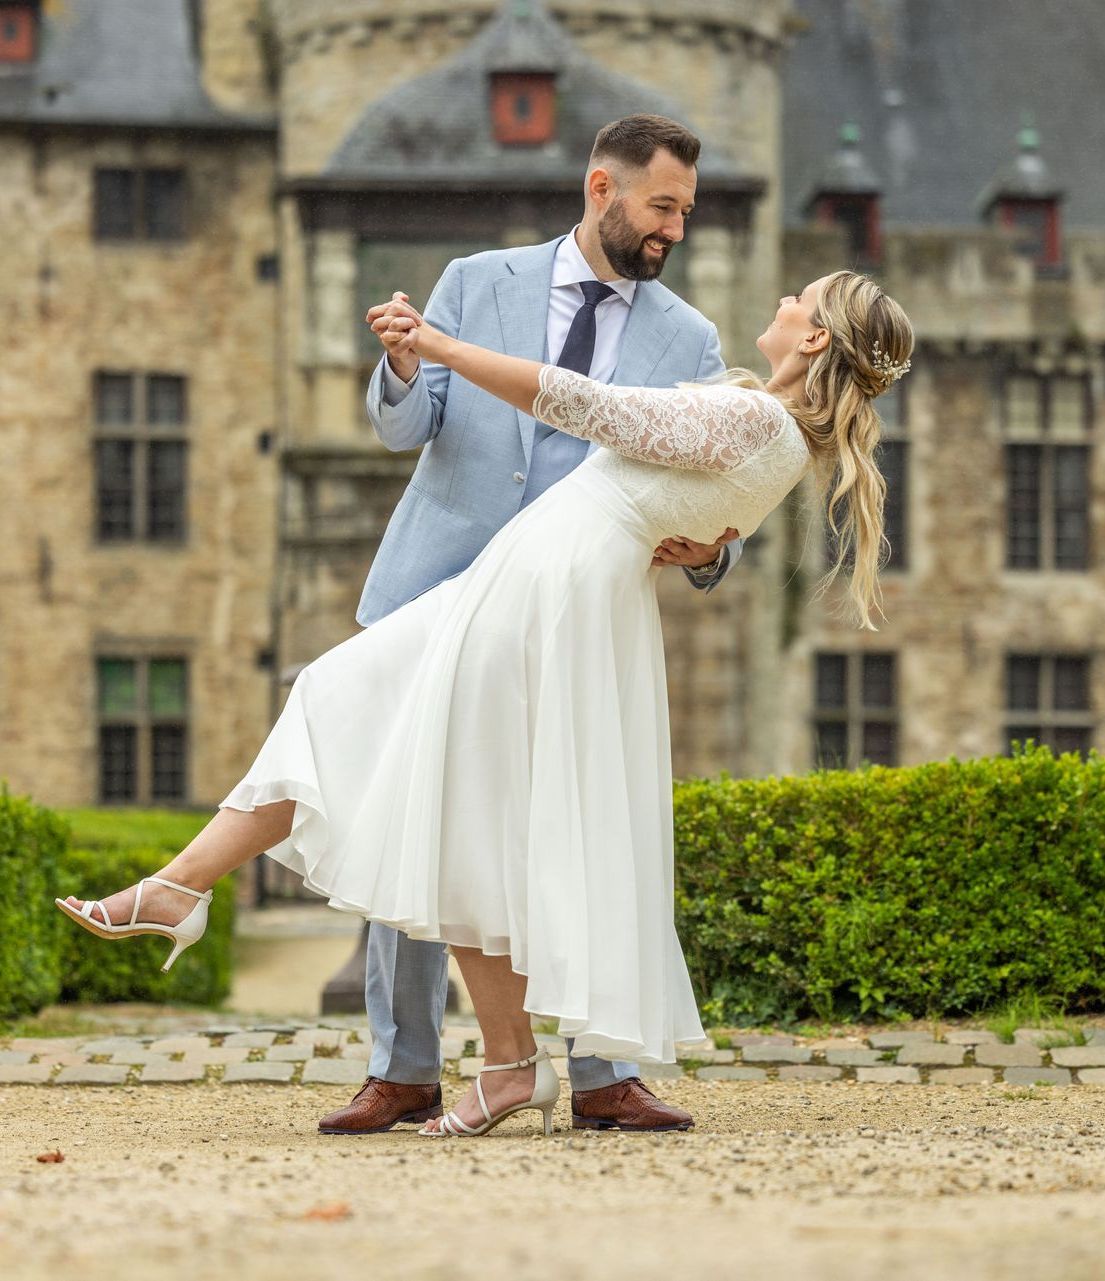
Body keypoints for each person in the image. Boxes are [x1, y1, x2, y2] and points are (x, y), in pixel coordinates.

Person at [56, 268, 912, 1139]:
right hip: (535, 584)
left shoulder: (757, 420)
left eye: (798, 300)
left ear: (815, 337)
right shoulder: (772, 429)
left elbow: (584, 405)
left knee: (452, 802)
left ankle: (505, 1062)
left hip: (543, 597)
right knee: (346, 703)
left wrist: (440, 347)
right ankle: (179, 889)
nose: (782, 303)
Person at [338, 113, 743, 1136]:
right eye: (662, 207)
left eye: (685, 212)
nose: (675, 230)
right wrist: (400, 367)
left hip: (570, 622)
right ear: (601, 188)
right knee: (410, 827)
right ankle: (403, 1068)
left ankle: (603, 1074)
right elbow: (405, 426)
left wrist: (710, 551)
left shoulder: (689, 339)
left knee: (583, 832)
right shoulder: (476, 282)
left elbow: (711, 488)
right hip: (435, 594)